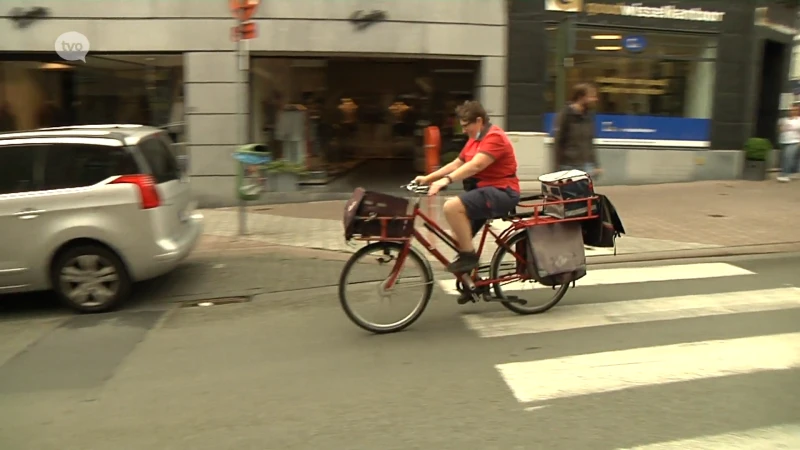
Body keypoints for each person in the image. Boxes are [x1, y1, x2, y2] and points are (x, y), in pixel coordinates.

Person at [414, 100, 520, 274]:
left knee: (452, 207)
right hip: (482, 191)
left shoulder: (495, 137)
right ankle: (473, 281)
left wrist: (446, 180)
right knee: (459, 237)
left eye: (466, 126)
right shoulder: (474, 139)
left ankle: (470, 257)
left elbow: (476, 165)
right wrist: (428, 178)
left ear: (479, 121)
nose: (463, 130)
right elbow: (458, 162)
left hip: (503, 192)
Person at [553, 83, 603, 178]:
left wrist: (596, 165)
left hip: (586, 165)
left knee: (585, 192)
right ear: (581, 97)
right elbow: (558, 142)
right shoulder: (566, 115)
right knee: (569, 192)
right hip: (568, 165)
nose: (595, 100)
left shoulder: (588, 116)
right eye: (591, 97)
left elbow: (589, 143)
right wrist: (556, 168)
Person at [777, 103, 800, 183]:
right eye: (792, 110)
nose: (793, 111)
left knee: (788, 157)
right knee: (785, 158)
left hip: (795, 141)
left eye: (796, 110)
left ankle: (784, 175)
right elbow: (780, 129)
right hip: (784, 141)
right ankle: (793, 172)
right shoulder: (785, 120)